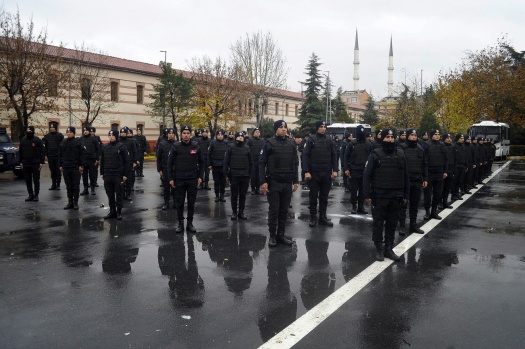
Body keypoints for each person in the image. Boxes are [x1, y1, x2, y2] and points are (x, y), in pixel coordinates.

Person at [363, 129, 409, 261]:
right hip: (380, 195)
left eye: (392, 137)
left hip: (396, 195)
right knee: (378, 223)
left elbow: (405, 175)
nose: (390, 140)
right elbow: (367, 175)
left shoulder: (401, 154)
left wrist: (406, 194)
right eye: (387, 137)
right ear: (382, 139)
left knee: (392, 223)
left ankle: (388, 248)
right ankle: (379, 248)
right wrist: (367, 195)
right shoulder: (375, 154)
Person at [259, 120, 299, 247]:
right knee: (274, 210)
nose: (284, 129)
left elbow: (295, 163)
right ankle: (272, 236)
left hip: (287, 182)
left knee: (284, 211)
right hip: (274, 182)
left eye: (285, 127)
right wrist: (263, 181)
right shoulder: (269, 143)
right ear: (276, 129)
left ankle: (281, 235)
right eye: (281, 127)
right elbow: (262, 163)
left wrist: (296, 180)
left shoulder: (292, 143)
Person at [167, 125, 205, 233]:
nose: (186, 135)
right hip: (179, 179)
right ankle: (180, 223)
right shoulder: (176, 146)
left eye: (188, 133)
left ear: (191, 134)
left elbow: (202, 162)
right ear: (181, 134)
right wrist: (170, 178)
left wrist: (200, 177)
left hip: (192, 179)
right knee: (179, 203)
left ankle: (190, 223)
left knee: (191, 203)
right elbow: (169, 164)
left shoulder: (196, 146)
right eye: (184, 133)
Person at [302, 120, 339, 227]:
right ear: (317, 127)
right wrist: (306, 171)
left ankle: (322, 217)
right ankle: (313, 217)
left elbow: (334, 155)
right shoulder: (311, 140)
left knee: (324, 197)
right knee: (313, 197)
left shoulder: (329, 140)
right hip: (314, 173)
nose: (323, 128)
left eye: (324, 127)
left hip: (326, 172)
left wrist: (335, 170)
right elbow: (305, 156)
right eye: (321, 126)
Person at [399, 129, 427, 234]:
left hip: (417, 181)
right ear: (407, 136)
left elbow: (424, 164)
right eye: (411, 135)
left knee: (414, 205)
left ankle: (413, 225)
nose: (414, 137)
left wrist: (425, 178)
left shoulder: (420, 149)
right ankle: (402, 226)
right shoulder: (401, 148)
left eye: (415, 135)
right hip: (405, 181)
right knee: (403, 205)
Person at [100, 130, 130, 220]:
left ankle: (119, 212)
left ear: (116, 136)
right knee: (110, 194)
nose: (111, 136)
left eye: (113, 135)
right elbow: (102, 161)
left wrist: (125, 174)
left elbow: (126, 161)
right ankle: (112, 211)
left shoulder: (122, 147)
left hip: (118, 174)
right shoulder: (105, 147)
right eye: (110, 135)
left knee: (119, 193)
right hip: (108, 174)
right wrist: (102, 173)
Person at [343, 125, 372, 215]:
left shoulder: (368, 144)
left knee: (362, 190)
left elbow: (371, 158)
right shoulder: (352, 143)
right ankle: (354, 206)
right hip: (354, 170)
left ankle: (361, 206)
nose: (361, 135)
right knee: (354, 190)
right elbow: (346, 156)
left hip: (364, 170)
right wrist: (346, 168)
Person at [224, 132, 251, 220]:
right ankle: (234, 212)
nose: (240, 138)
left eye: (241, 136)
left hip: (245, 175)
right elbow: (226, 161)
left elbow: (251, 163)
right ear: (236, 138)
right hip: (234, 175)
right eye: (238, 136)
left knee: (243, 194)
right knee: (234, 194)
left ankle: (241, 212)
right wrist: (226, 174)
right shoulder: (231, 147)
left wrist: (250, 174)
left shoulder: (247, 148)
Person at [423, 129, 448, 220]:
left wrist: (445, 171)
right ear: (431, 135)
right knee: (428, 195)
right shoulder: (426, 144)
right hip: (429, 173)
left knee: (437, 193)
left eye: (438, 134)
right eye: (435, 134)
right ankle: (427, 212)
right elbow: (424, 160)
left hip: (439, 173)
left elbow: (445, 159)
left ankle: (434, 211)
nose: (438, 136)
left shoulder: (442, 145)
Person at [60, 127, 85, 210]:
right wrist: (60, 165)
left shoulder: (78, 142)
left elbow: (82, 154)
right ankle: (70, 202)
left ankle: (75, 203)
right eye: (67, 132)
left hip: (75, 167)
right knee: (68, 186)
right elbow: (60, 155)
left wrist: (81, 165)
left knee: (75, 185)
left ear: (74, 133)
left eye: (70, 132)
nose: (69, 133)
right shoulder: (63, 142)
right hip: (66, 166)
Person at [19, 126, 45, 202]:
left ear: (33, 131)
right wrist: (20, 162)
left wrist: (41, 162)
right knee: (28, 180)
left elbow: (43, 151)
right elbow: (20, 152)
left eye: (30, 131)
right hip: (26, 163)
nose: (28, 132)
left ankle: (36, 195)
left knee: (36, 180)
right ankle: (30, 195)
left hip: (35, 163)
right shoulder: (23, 140)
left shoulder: (37, 140)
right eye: (27, 131)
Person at [156, 128, 176, 210]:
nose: (171, 134)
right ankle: (166, 203)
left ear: (174, 134)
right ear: (167, 134)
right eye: (169, 133)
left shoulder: (177, 144)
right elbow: (159, 158)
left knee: (175, 187)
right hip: (165, 168)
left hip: (175, 169)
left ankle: (175, 203)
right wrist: (159, 170)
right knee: (166, 187)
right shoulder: (162, 144)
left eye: (172, 133)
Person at [208, 129, 229, 202]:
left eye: (221, 135)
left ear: (223, 136)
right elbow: (209, 154)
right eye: (218, 135)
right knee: (216, 181)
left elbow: (229, 156)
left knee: (223, 182)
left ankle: (222, 195)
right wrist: (210, 164)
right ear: (216, 136)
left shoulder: (226, 143)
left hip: (223, 165)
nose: (220, 136)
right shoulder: (213, 143)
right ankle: (217, 195)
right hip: (215, 165)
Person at [80, 127, 101, 196]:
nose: (85, 132)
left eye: (86, 130)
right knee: (84, 176)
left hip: (92, 160)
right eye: (84, 130)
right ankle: (85, 189)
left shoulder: (94, 139)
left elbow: (98, 149)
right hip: (84, 160)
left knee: (92, 175)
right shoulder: (81, 139)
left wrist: (97, 159)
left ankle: (92, 189)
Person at [119, 127, 138, 200]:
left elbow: (134, 151)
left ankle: (128, 194)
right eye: (121, 132)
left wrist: (135, 161)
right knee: (121, 180)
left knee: (128, 180)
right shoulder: (118, 141)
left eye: (124, 132)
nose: (123, 134)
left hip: (129, 163)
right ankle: (122, 194)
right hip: (120, 163)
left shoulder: (131, 141)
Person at [43, 122, 64, 190]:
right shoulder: (47, 136)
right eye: (51, 128)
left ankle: (58, 185)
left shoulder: (60, 135)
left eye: (53, 128)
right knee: (52, 170)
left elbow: (62, 146)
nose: (52, 129)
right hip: (50, 155)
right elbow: (46, 146)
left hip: (57, 155)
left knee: (58, 170)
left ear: (55, 128)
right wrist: (45, 155)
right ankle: (53, 184)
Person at [246, 127, 264, 195]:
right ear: (253, 133)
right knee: (253, 175)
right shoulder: (250, 140)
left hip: (259, 160)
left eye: (258, 132)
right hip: (253, 160)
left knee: (259, 175)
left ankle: (258, 188)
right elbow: (247, 149)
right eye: (256, 132)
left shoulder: (262, 141)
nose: (257, 133)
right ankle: (253, 189)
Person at [441, 133, 456, 209]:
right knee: (441, 188)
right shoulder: (441, 146)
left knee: (447, 188)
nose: (449, 139)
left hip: (450, 170)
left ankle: (445, 202)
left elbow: (455, 158)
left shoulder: (453, 147)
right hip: (443, 170)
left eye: (450, 137)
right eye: (447, 138)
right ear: (444, 139)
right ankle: (440, 203)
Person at [451, 134, 467, 201]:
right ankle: (453, 195)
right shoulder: (454, 146)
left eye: (463, 138)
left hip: (462, 166)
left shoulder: (463, 146)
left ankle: (457, 193)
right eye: (461, 138)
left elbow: (465, 156)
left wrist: (466, 165)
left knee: (459, 181)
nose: (462, 139)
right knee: (454, 181)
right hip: (456, 166)